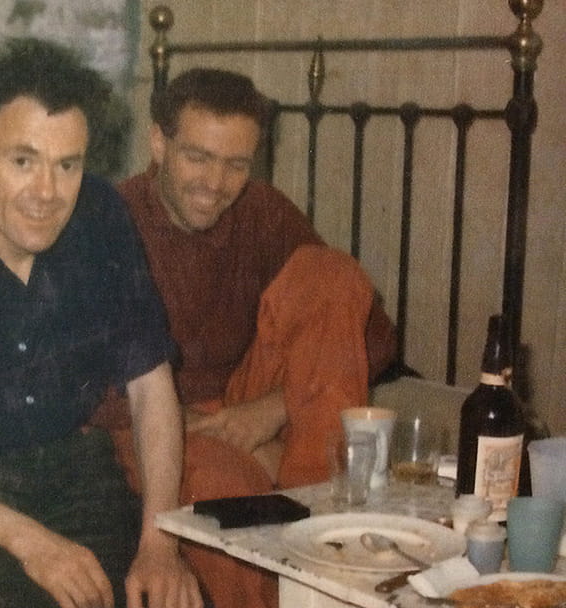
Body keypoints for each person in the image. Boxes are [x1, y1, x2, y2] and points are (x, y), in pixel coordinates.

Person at [0, 38, 202, 608]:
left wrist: (159, 543)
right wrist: (33, 543)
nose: (47, 193)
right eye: (23, 161)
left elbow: (151, 389)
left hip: (79, 478)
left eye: (67, 164)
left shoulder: (101, 216)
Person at [92, 68, 398, 608]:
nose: (216, 183)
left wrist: (274, 410)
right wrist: (183, 424)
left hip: (244, 402)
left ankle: (321, 511)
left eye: (236, 163)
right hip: (147, 421)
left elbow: (372, 339)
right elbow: (72, 382)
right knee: (231, 493)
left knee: (330, 274)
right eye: (198, 157)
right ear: (158, 143)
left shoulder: (261, 212)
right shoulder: (109, 221)